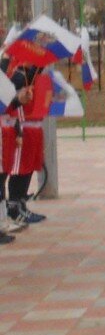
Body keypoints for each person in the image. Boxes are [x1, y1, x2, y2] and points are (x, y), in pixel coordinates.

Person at [2, 60, 52, 232]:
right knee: (16, 168)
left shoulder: (33, 70)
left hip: (33, 123)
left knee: (29, 165)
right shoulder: (14, 69)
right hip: (20, 123)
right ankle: (13, 206)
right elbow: (10, 94)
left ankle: (20, 203)